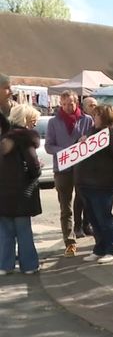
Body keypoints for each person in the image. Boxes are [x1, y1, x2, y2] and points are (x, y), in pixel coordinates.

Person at [76, 105, 113, 264]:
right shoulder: (92, 132)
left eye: (97, 115)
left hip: (103, 183)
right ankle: (100, 248)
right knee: (94, 219)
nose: (93, 118)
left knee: (104, 218)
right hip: (86, 182)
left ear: (105, 117)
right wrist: (80, 141)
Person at [45, 90, 93, 257]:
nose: (66, 107)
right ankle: (70, 242)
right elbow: (48, 146)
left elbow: (93, 141)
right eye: (63, 104)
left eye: (70, 104)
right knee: (65, 208)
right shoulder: (53, 122)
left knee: (87, 202)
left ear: (76, 103)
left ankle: (88, 230)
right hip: (62, 169)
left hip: (82, 169)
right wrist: (67, 151)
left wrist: (86, 142)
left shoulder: (87, 120)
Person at [0, 104, 42, 275]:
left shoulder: (4, 137)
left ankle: (4, 265)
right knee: (23, 231)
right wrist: (38, 169)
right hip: (21, 193)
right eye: (33, 121)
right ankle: (29, 265)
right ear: (26, 120)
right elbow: (34, 166)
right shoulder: (24, 140)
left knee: (5, 232)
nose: (34, 124)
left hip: (3, 192)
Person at [76, 97, 98, 238]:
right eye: (91, 105)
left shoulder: (96, 121)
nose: (94, 107)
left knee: (90, 198)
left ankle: (87, 224)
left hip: (93, 166)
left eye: (95, 105)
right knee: (79, 198)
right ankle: (77, 226)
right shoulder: (83, 121)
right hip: (79, 164)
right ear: (84, 108)